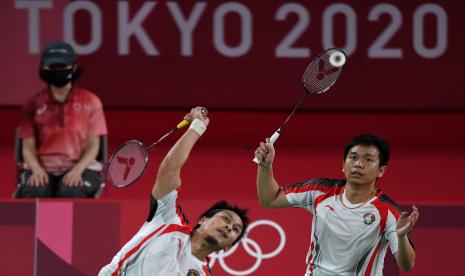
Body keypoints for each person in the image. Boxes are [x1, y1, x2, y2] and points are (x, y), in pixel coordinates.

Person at [99, 108, 250, 275]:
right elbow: (169, 170)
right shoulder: (168, 219)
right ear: (202, 220)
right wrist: (197, 127)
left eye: (236, 229)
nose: (229, 227)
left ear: (228, 246)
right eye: (225, 219)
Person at [254, 134, 419, 275]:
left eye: (368, 160)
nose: (358, 164)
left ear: (381, 171)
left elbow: (406, 265)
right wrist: (265, 166)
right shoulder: (319, 190)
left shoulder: (389, 212)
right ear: (343, 164)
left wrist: (401, 236)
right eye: (353, 157)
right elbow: (271, 199)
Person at [16, 40, 107, 198]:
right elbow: (27, 148)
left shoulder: (91, 101)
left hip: (82, 168)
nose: (57, 71)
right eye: (52, 67)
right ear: (43, 68)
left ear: (74, 67)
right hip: (42, 168)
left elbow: (94, 147)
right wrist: (37, 170)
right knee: (35, 191)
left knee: (71, 191)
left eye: (62, 66)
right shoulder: (32, 104)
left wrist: (77, 170)